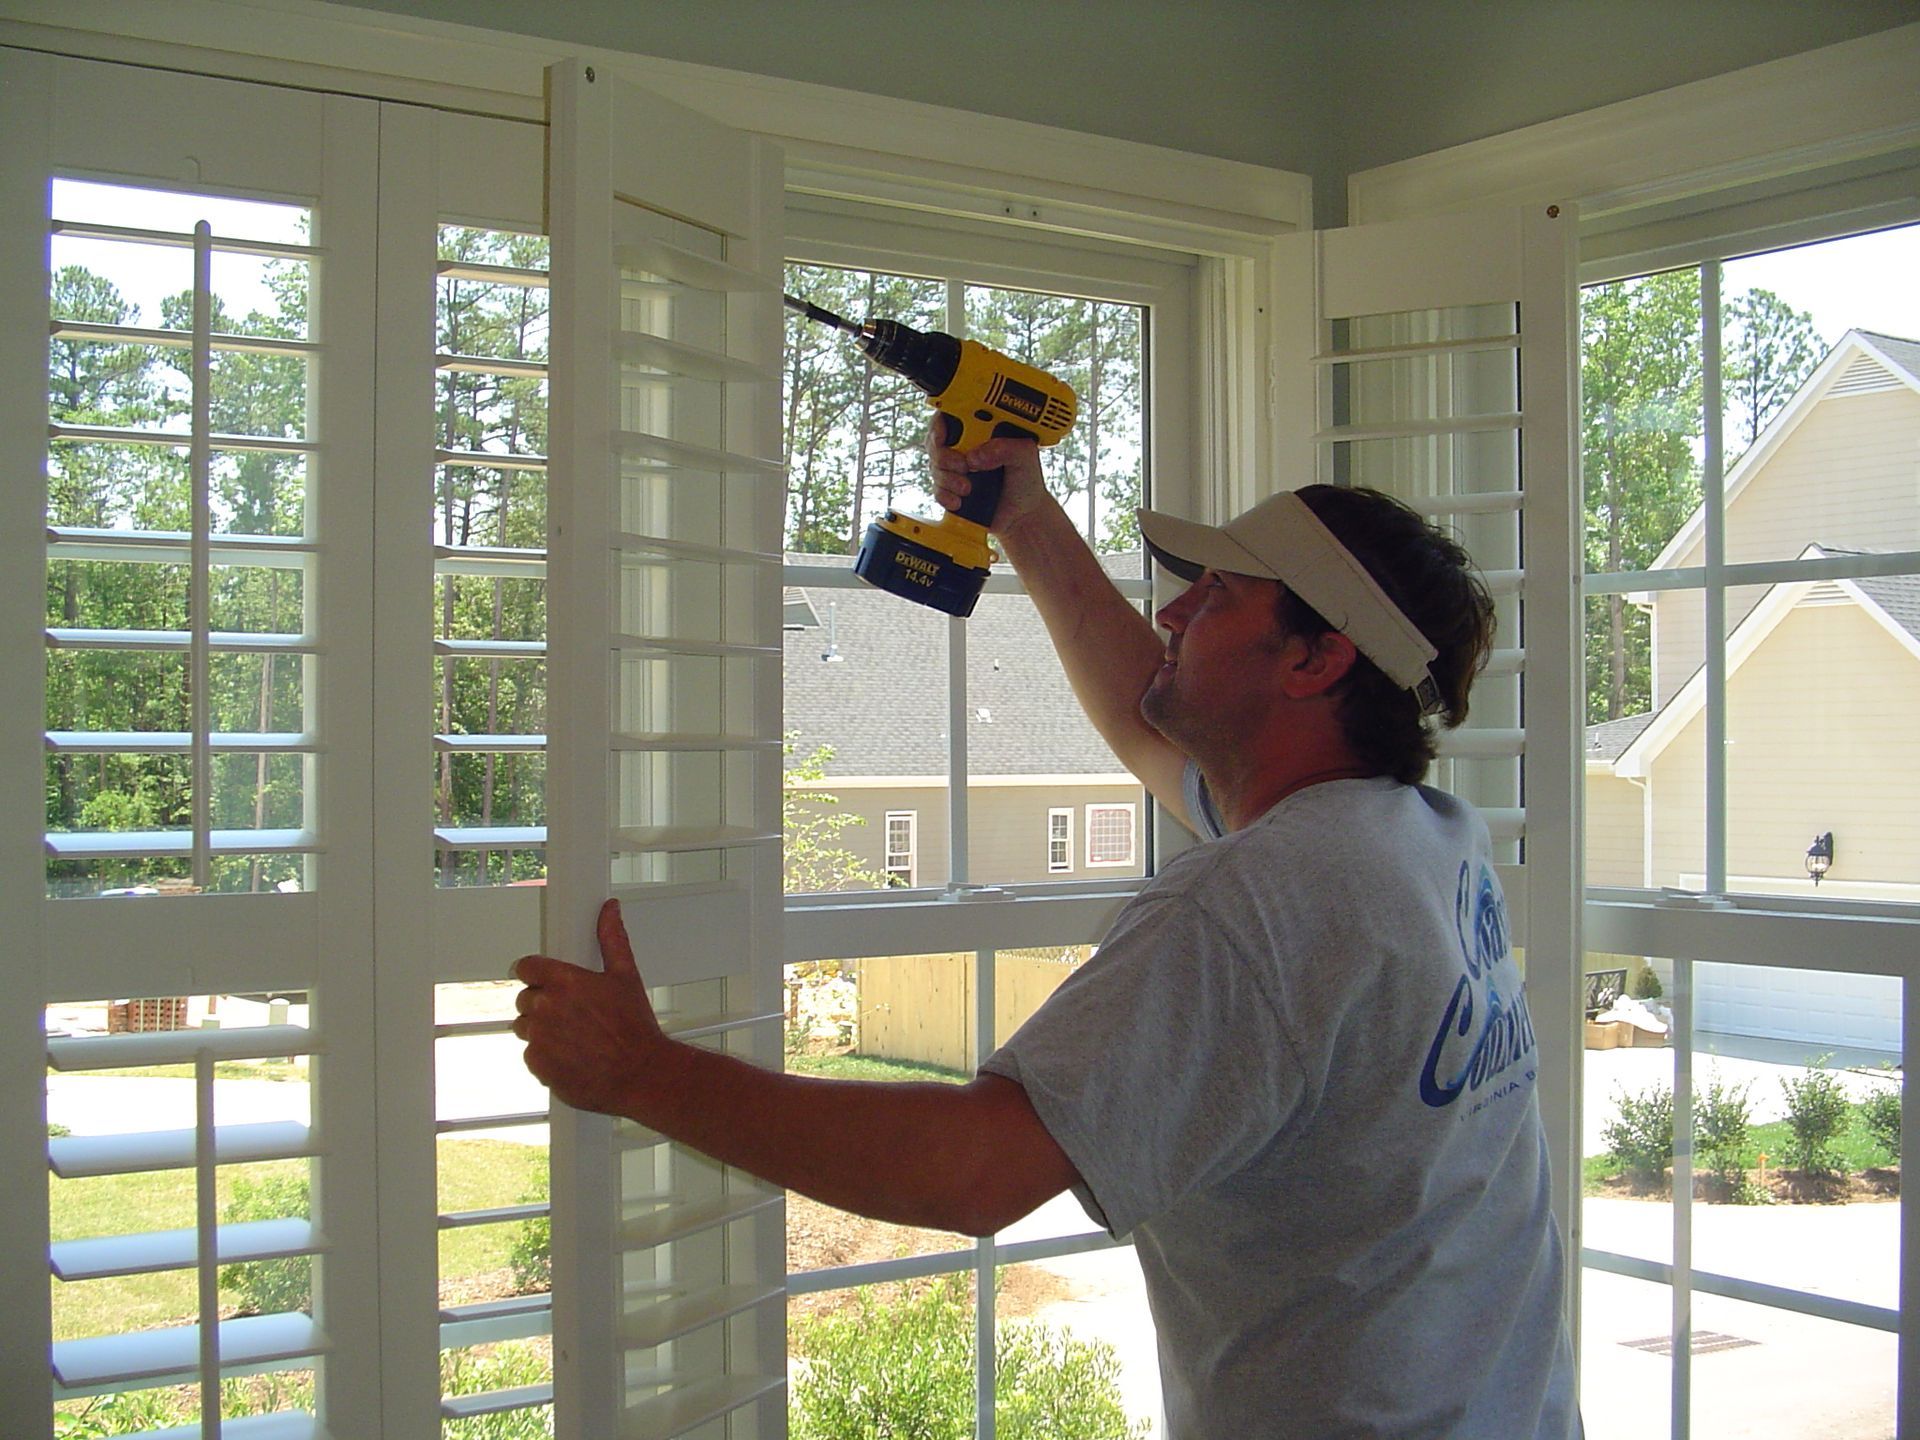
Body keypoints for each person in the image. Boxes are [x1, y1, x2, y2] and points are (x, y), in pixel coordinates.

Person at [512, 429, 1582, 1437]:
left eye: (1218, 597)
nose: (1173, 614)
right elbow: (1142, 717)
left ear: (1314, 662)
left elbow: (974, 1172)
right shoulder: (1418, 839)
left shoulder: (1256, 901)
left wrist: (641, 1073)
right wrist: (1024, 518)